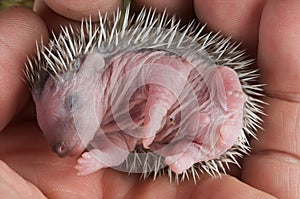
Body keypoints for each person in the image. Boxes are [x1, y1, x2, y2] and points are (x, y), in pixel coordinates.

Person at [0, 0, 299, 198]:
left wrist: (155, 114)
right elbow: (121, 147)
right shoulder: (108, 120)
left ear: (93, 66)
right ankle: (201, 147)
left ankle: (228, 110)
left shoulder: (129, 65)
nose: (59, 147)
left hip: (200, 93)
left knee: (214, 86)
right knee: (180, 152)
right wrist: (100, 158)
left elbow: (169, 78)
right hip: (184, 136)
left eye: (72, 104)